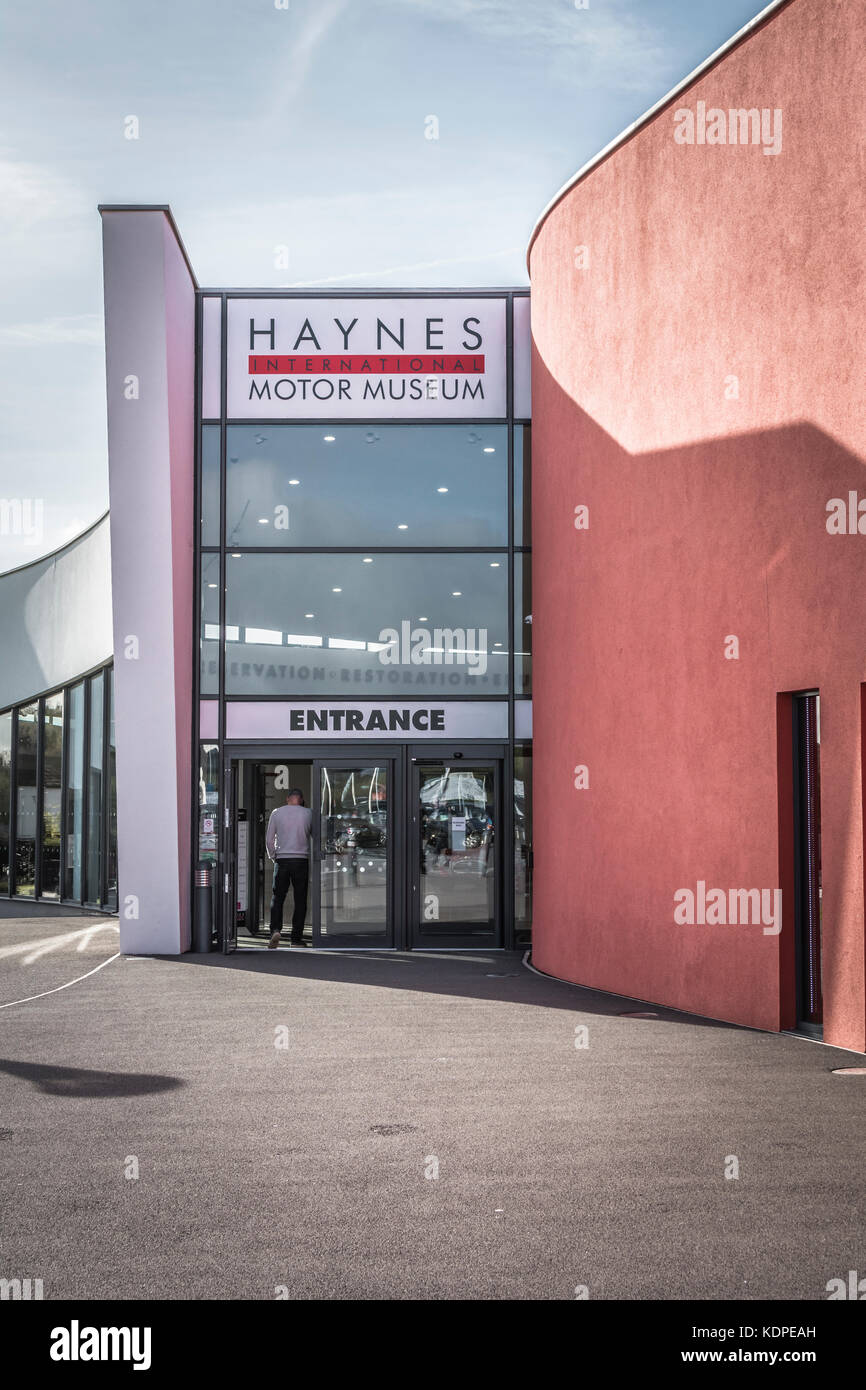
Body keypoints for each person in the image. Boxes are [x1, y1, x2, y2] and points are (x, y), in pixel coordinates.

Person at [265, 788, 312, 948]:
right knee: (300, 900)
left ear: (287, 799)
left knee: (277, 897)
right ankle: (296, 938)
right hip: (301, 860)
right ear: (301, 799)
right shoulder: (308, 813)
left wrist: (273, 856)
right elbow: (316, 835)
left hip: (282, 860)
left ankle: (275, 930)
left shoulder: (277, 813)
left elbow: (270, 839)